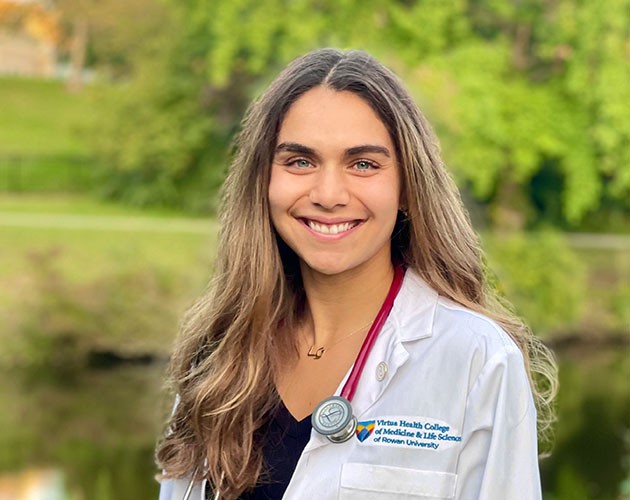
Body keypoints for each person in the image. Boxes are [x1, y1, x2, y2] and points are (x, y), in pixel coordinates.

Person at [156, 48, 557, 500]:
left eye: (363, 164)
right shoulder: (217, 356)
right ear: (263, 182)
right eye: (300, 161)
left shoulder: (476, 360)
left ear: (407, 187)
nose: (328, 194)